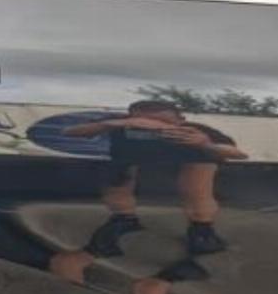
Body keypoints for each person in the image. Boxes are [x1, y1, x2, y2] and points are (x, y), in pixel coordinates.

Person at [62, 99, 247, 257]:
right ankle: (123, 218)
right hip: (130, 159)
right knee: (117, 176)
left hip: (187, 160)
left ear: (180, 120)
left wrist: (205, 144)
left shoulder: (195, 130)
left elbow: (238, 154)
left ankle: (202, 227)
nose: (152, 126)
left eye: (163, 122)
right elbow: (71, 132)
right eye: (144, 121)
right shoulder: (119, 124)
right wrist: (111, 124)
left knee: (197, 180)